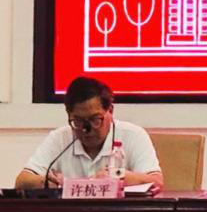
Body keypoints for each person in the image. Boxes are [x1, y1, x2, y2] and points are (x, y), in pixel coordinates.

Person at [15, 76, 164, 192]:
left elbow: (156, 181)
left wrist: (118, 176)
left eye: (95, 119)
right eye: (78, 121)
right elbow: (22, 181)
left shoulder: (133, 135)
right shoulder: (60, 138)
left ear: (110, 111)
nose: (87, 129)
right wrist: (47, 182)